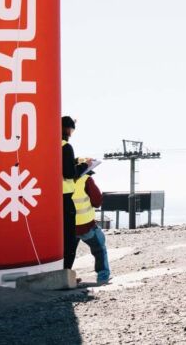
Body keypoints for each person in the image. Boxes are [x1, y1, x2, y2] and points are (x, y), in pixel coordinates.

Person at [72, 158, 111, 284]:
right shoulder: (86, 180)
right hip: (86, 225)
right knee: (99, 249)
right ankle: (103, 277)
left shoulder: (63, 180)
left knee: (68, 254)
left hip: (68, 226)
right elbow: (97, 201)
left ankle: (67, 278)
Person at [61, 116, 82, 269]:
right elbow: (69, 173)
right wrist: (83, 166)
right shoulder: (66, 147)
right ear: (68, 129)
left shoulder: (49, 144)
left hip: (50, 197)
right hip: (65, 197)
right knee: (69, 238)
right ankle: (66, 271)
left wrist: (73, 161)